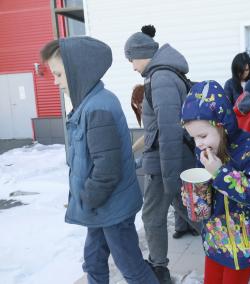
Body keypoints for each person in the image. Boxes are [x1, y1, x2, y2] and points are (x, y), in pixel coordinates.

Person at [40, 37, 158, 283]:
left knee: (131, 267)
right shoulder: (89, 103)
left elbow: (106, 169)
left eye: (59, 75)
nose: (56, 82)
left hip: (111, 208)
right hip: (102, 207)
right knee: (93, 260)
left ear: (78, 71)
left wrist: (86, 196)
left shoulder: (98, 108)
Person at [181, 80, 250, 284]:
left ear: (221, 124)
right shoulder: (204, 151)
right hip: (215, 238)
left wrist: (220, 173)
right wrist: (195, 196)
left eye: (203, 135)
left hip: (242, 244)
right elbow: (208, 190)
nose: (199, 144)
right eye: (193, 138)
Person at [124, 24, 198, 283]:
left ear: (142, 53)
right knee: (189, 211)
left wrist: (169, 175)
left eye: (131, 59)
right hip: (168, 160)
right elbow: (159, 129)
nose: (132, 66)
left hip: (166, 162)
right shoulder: (162, 75)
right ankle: (223, 241)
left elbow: (168, 132)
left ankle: (159, 268)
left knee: (153, 216)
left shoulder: (162, 78)